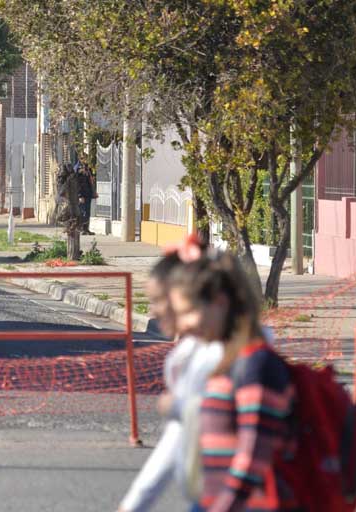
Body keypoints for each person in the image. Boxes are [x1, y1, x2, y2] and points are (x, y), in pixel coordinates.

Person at [169, 252, 298, 512]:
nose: (181, 326)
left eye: (188, 313)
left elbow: (254, 457)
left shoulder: (257, 366)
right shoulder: (227, 362)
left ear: (219, 302)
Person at [117, 236, 224, 512]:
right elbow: (176, 440)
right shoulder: (188, 354)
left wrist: (179, 405)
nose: (154, 310)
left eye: (159, 300)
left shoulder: (225, 357)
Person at [75, 163, 96, 235]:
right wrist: (80, 195)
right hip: (82, 195)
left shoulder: (88, 168)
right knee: (82, 212)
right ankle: (80, 228)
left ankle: (86, 229)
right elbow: (77, 183)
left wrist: (93, 192)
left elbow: (90, 182)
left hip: (88, 194)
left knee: (87, 212)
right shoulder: (78, 168)